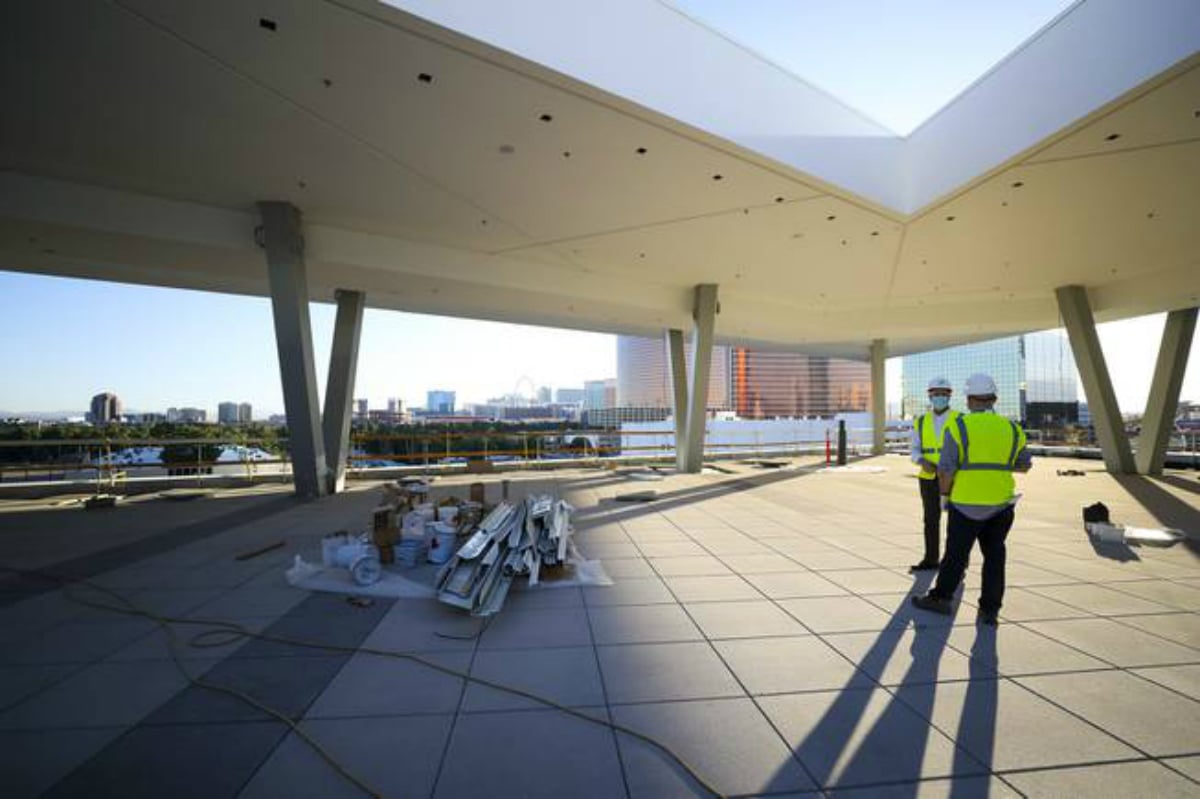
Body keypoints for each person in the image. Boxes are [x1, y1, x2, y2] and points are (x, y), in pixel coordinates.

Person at [912, 373, 1032, 625]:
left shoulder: (959, 427)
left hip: (965, 503)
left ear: (968, 399)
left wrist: (945, 496)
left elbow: (946, 469)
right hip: (1001, 504)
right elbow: (1023, 466)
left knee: (955, 554)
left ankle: (941, 598)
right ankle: (989, 610)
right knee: (995, 557)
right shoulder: (1013, 429)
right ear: (994, 399)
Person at [909, 377, 959, 572]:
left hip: (954, 477)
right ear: (929, 395)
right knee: (931, 519)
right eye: (936, 393)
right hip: (928, 478)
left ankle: (956, 563)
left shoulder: (960, 419)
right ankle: (931, 559)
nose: (939, 397)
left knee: (956, 522)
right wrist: (922, 461)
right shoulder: (920, 421)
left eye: (943, 394)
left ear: (950, 395)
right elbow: (914, 450)